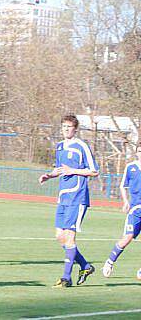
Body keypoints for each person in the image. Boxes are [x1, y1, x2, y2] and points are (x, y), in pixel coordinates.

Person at [38, 115, 99, 287]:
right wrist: (48, 176)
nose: (66, 129)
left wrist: (73, 170)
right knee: (60, 237)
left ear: (75, 129)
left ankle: (66, 277)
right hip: (63, 196)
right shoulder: (59, 147)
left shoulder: (82, 146)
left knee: (70, 238)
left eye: (69, 126)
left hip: (77, 196)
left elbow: (94, 171)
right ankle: (85, 266)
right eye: (64, 126)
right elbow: (60, 169)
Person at [102, 144, 141, 277]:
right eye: (140, 151)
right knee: (127, 237)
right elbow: (123, 186)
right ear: (136, 153)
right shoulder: (131, 167)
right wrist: (125, 201)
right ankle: (110, 261)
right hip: (135, 210)